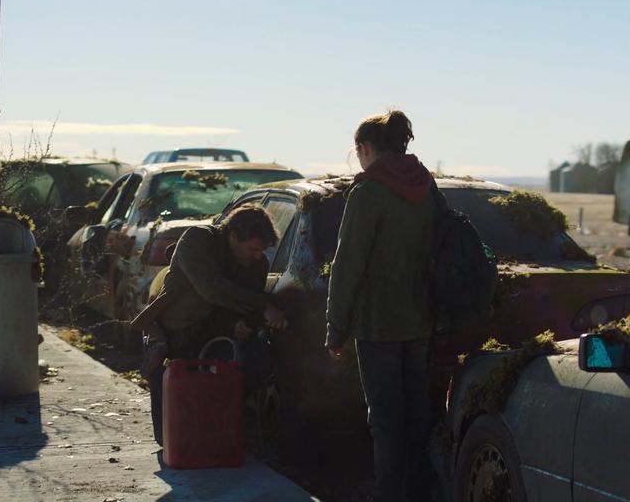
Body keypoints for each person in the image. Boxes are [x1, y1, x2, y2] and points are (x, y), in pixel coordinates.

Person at [325, 109, 436, 501]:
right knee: (417, 418)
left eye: (358, 151)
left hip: (378, 325)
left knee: (386, 422)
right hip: (421, 321)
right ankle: (419, 491)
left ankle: (390, 495)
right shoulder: (426, 185)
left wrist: (335, 329)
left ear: (367, 148)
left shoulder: (368, 192)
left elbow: (347, 265)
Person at [132, 203, 289, 446]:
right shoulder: (197, 239)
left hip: (217, 336)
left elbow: (247, 304)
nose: (258, 256)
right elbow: (210, 288)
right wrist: (263, 304)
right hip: (175, 334)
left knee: (255, 361)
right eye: (253, 249)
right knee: (172, 434)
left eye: (262, 250)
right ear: (234, 236)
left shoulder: (257, 263)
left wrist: (244, 324)